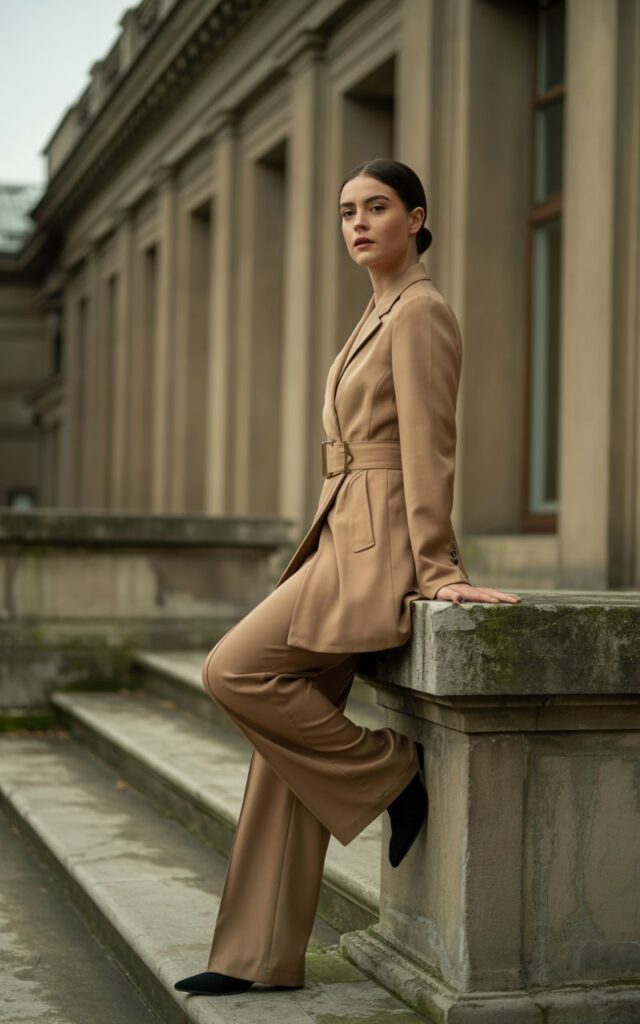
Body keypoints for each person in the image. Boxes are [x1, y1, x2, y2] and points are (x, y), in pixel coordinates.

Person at [174, 158, 521, 998]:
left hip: (378, 549)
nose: (358, 223)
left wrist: (438, 568)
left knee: (235, 670)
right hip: (338, 536)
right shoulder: (377, 310)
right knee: (287, 740)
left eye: (376, 207)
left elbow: (429, 449)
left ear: (417, 217)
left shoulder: (422, 313)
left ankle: (390, 770)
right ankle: (256, 956)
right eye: (345, 212)